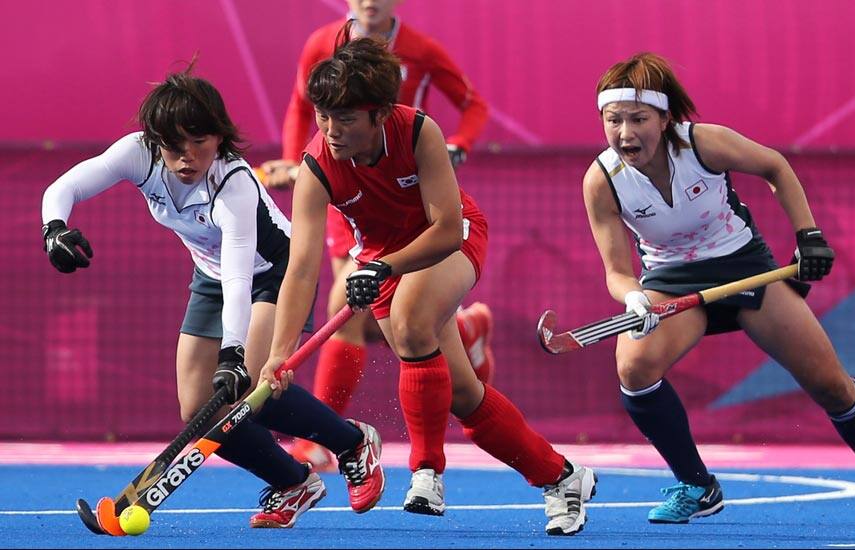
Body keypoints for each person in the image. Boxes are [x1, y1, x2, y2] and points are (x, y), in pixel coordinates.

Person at [582, 52, 855, 525]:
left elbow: (776, 167)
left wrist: (808, 236)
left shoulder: (703, 143)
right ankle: (697, 485)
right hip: (670, 282)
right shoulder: (601, 181)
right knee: (634, 367)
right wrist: (635, 297)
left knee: (830, 385)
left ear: (666, 118)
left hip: (743, 267)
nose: (625, 133)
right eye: (614, 120)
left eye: (638, 119)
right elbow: (616, 271)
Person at [260, 38, 595, 536]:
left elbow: (443, 226)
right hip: (381, 259)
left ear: (378, 115)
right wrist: (279, 354)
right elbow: (302, 269)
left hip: (448, 239)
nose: (331, 131)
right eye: (324, 116)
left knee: (414, 323)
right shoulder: (315, 167)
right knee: (461, 394)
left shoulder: (417, 129)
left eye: (346, 119)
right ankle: (562, 477)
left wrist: (385, 267)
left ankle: (425, 470)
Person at [40, 66, 386, 529]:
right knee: (197, 408)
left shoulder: (233, 183)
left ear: (219, 137)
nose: (187, 157)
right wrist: (54, 229)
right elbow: (66, 186)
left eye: (200, 143)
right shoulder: (137, 153)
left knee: (253, 388)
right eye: (175, 146)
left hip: (272, 273)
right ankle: (293, 482)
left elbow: (242, 271)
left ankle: (351, 442)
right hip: (211, 274)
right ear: (156, 140)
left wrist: (233, 353)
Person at [259, 0, 494, 469]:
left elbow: (473, 105)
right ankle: (462, 329)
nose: (368, 1)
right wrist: (296, 161)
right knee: (363, 312)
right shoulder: (320, 46)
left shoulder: (421, 51)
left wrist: (457, 144)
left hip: (404, 192)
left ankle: (329, 437)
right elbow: (301, 108)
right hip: (347, 193)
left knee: (375, 313)